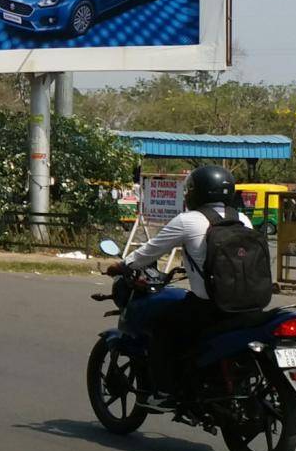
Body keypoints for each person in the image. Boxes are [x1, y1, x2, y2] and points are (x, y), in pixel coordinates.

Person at [105, 164, 255, 401]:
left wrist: (122, 266)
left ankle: (164, 390)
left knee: (161, 327)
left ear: (197, 192)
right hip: (249, 303)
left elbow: (149, 251)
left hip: (209, 307)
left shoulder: (189, 220)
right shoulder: (243, 219)